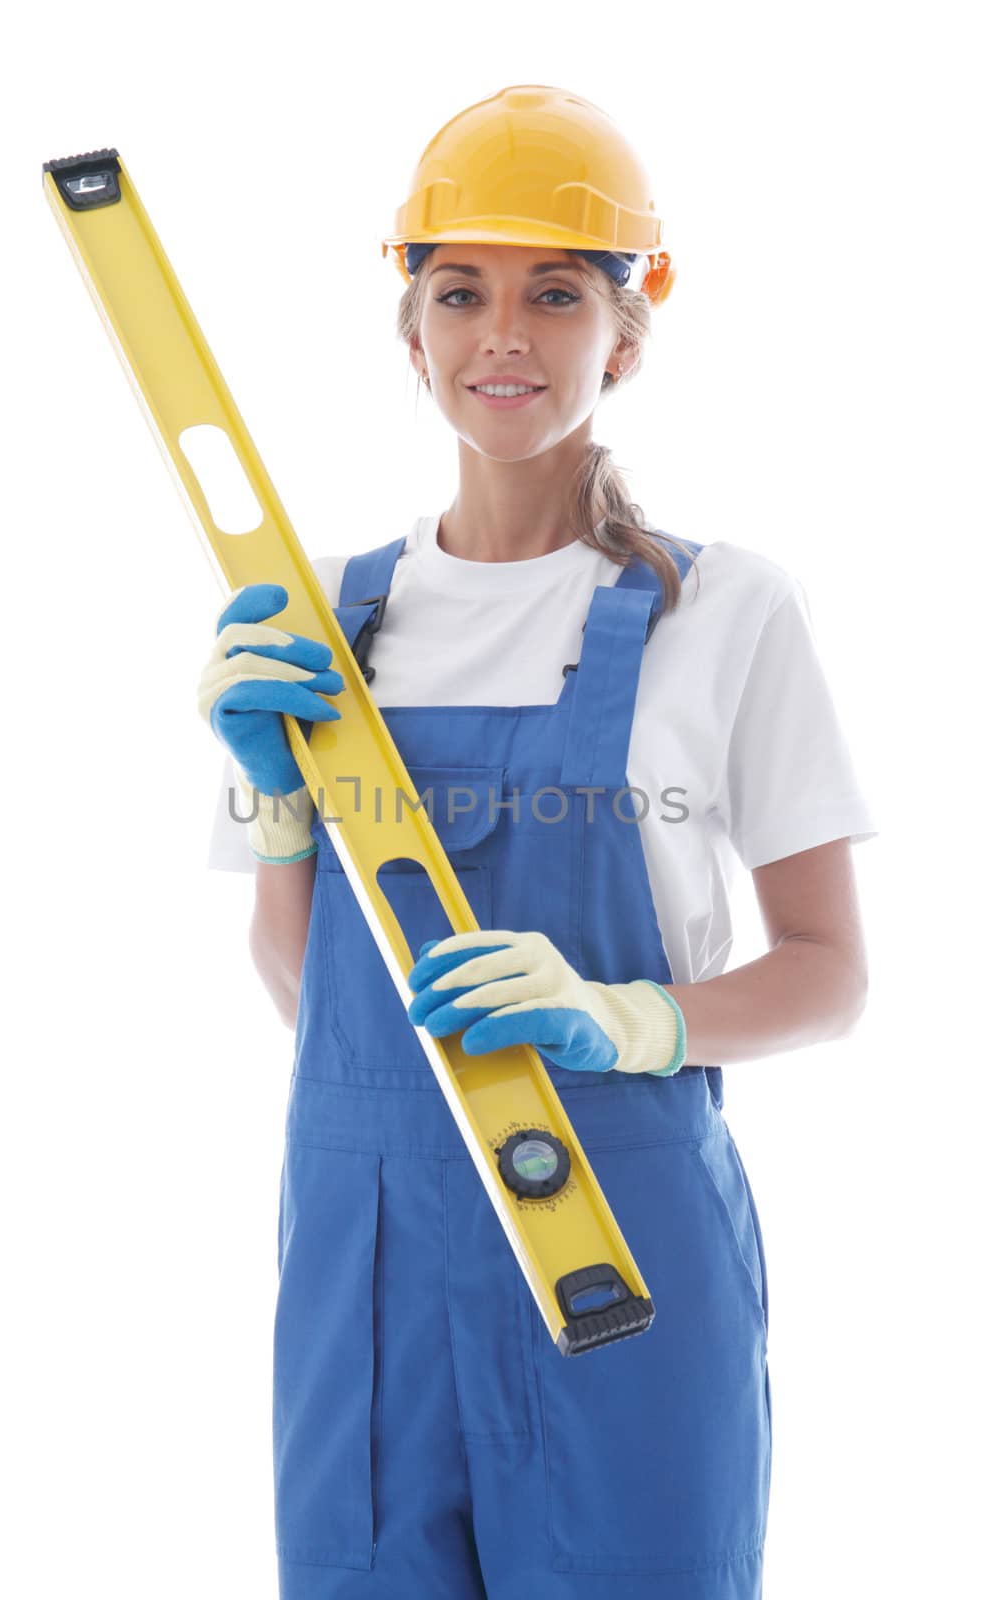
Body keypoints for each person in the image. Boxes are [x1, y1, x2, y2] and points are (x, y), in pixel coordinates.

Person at [199, 85, 876, 1600]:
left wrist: (627, 1020)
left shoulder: (729, 610)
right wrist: (274, 796)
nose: (504, 334)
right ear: (414, 329)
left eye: (555, 293)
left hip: (623, 1252)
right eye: (463, 292)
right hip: (367, 1268)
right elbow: (301, 977)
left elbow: (831, 975)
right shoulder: (320, 620)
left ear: (625, 337)